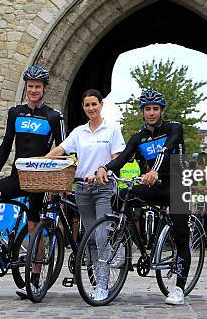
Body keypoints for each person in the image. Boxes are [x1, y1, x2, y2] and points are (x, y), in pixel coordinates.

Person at [96, 89, 190, 305]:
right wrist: (104, 168)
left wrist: (154, 170)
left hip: (178, 183)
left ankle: (178, 288)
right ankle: (120, 242)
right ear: (142, 111)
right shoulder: (139, 137)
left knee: (181, 234)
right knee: (122, 195)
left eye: (155, 109)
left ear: (161, 110)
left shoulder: (173, 128)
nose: (151, 113)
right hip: (155, 183)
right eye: (147, 109)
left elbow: (165, 152)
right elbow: (122, 159)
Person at [0, 65, 66, 268]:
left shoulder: (53, 116)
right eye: (30, 86)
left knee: (33, 226)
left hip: (39, 181)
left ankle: (35, 277)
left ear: (45, 89)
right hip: (17, 177)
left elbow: (63, 149)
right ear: (26, 88)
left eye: (37, 87)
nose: (33, 90)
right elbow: (6, 143)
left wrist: (57, 182)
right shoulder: (15, 113)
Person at [45, 89, 126, 301]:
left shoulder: (112, 129)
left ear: (101, 105)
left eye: (94, 104)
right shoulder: (79, 132)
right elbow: (61, 149)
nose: (91, 108)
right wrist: (42, 160)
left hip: (103, 188)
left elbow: (117, 159)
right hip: (82, 189)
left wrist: (103, 170)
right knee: (89, 237)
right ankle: (97, 277)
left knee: (100, 236)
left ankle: (102, 286)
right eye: (87, 105)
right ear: (83, 107)